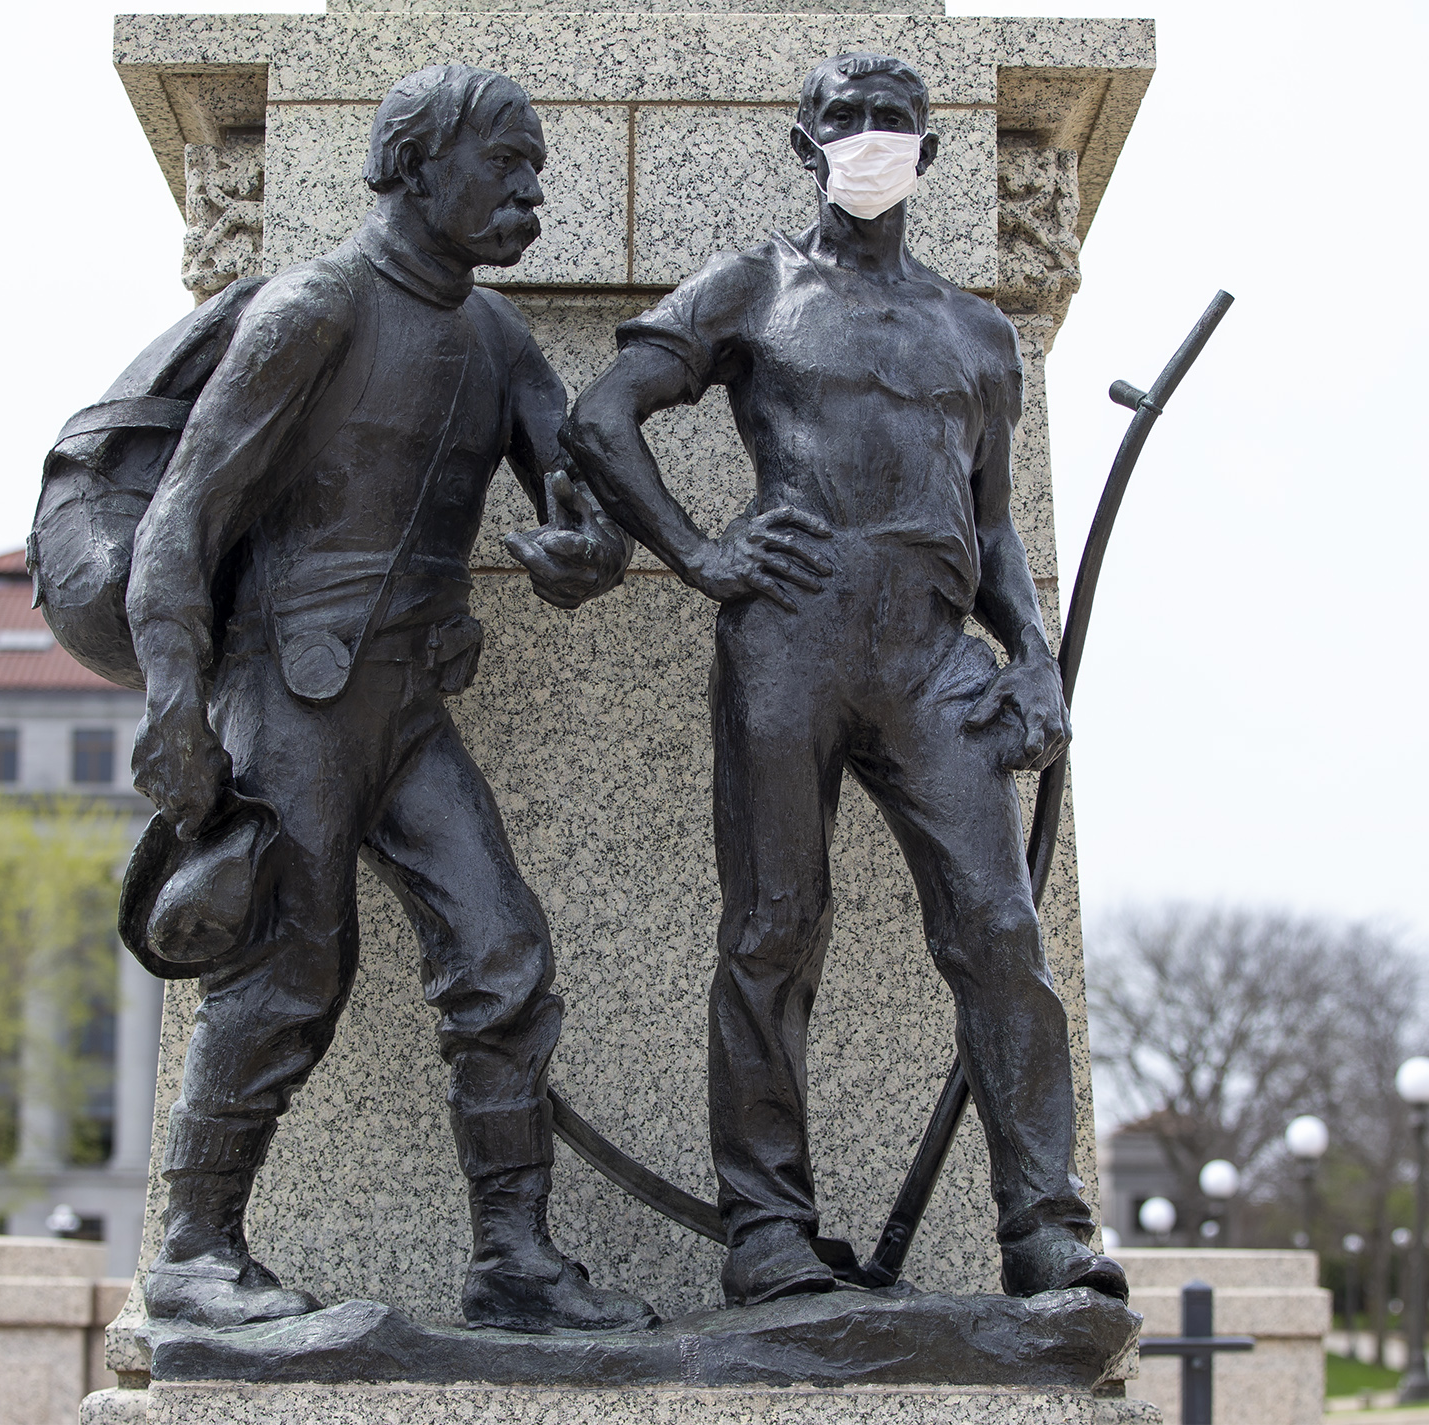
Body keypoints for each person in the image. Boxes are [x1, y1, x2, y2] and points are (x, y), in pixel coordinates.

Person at [563, 52, 1127, 1308]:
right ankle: (768, 1227)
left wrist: (1031, 653)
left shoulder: (978, 332)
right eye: (849, 120)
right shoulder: (755, 285)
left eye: (897, 122)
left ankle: (1044, 1226)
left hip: (936, 655)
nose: (873, 138)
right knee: (775, 927)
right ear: (805, 139)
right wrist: (703, 554)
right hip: (789, 638)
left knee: (998, 931)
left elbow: (993, 527)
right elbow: (600, 419)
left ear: (930, 147)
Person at [122, 63, 652, 1335]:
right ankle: (193, 1252)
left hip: (410, 704)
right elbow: (179, 521)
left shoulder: (499, 339)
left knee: (504, 953)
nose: (533, 189)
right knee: (290, 971)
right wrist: (173, 704)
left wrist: (588, 555)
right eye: (508, 162)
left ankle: (513, 1260)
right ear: (419, 165)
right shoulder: (318, 306)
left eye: (539, 167)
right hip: (290, 695)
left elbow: (580, 511)